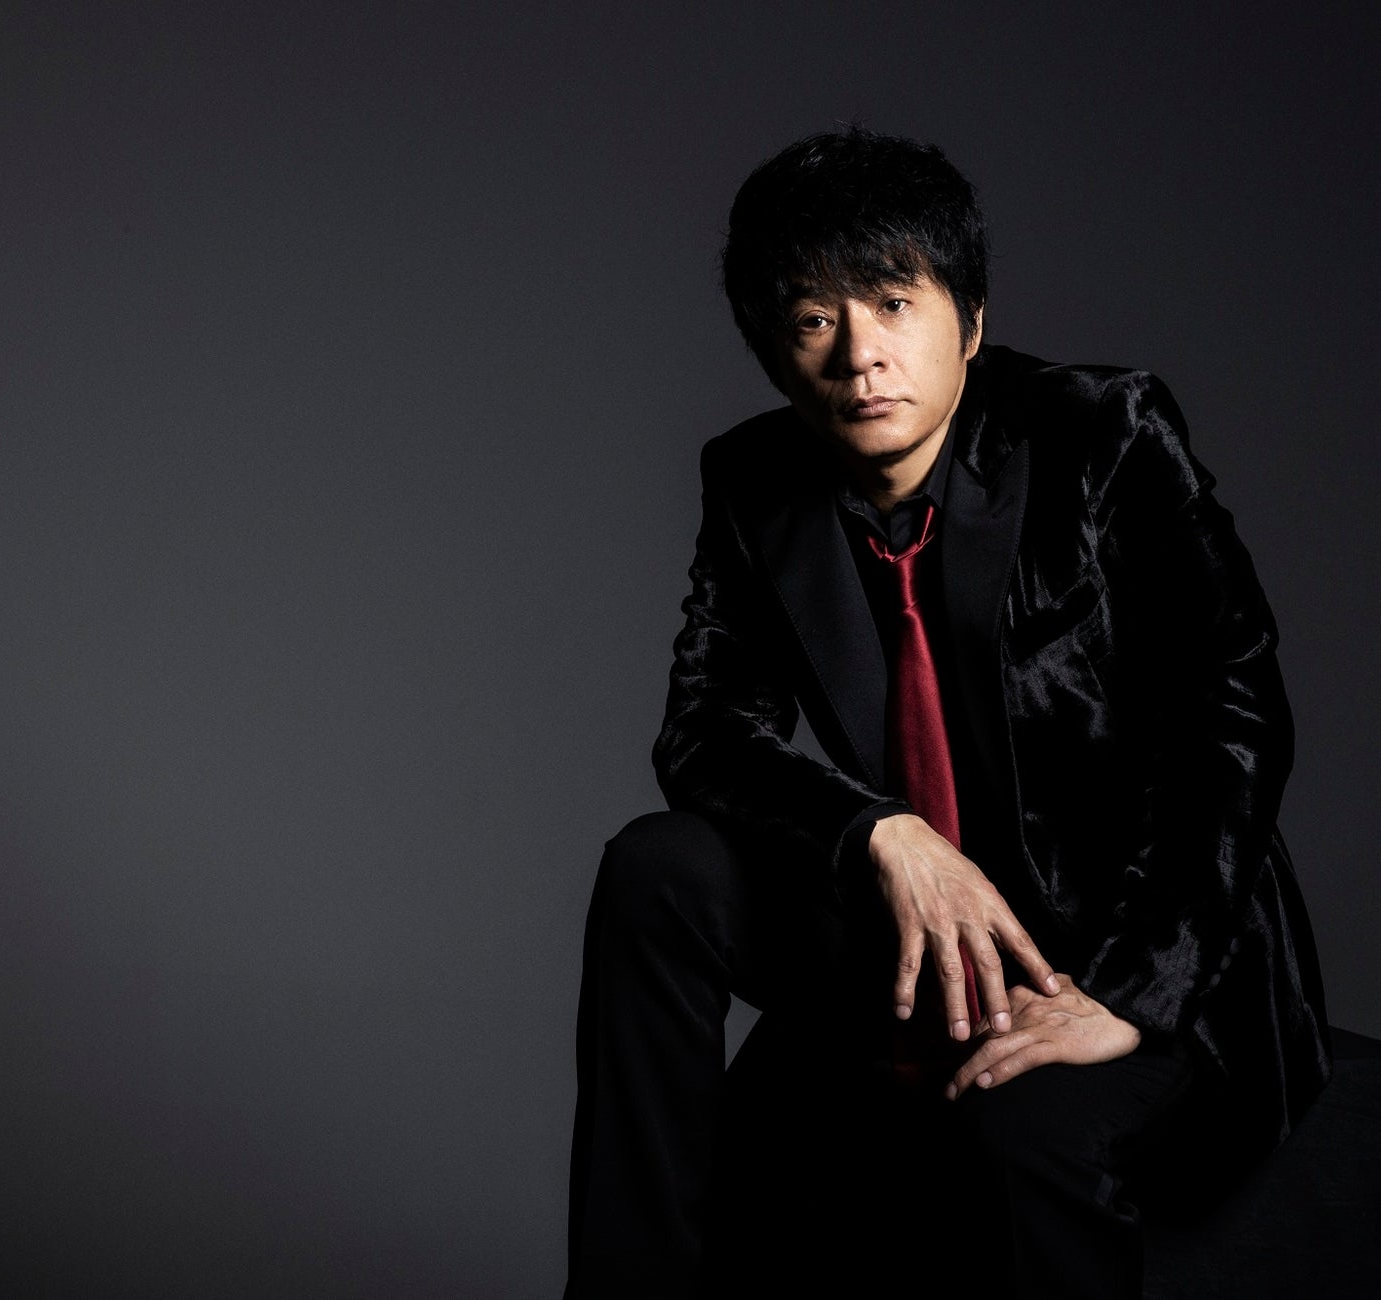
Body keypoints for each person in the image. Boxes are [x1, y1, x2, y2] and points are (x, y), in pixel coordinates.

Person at [567, 126, 1331, 1299]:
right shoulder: (754, 481)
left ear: (969, 321)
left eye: (892, 303)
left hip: (1127, 931)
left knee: (1015, 1139)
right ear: (775, 352)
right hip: (918, 924)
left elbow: (1232, 714)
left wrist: (1128, 992)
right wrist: (881, 832)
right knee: (656, 869)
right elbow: (705, 731)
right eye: (814, 319)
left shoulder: (1101, 435)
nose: (859, 354)